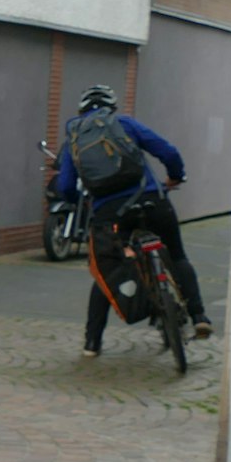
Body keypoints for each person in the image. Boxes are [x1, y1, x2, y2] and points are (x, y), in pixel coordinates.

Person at [52, 84, 211, 357]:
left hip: (110, 214)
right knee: (177, 256)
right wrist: (176, 175)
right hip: (151, 200)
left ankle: (92, 342)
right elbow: (168, 151)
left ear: (81, 110)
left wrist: (83, 197)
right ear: (111, 107)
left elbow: (65, 185)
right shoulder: (124, 123)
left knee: (106, 271)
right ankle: (199, 316)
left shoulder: (74, 137)